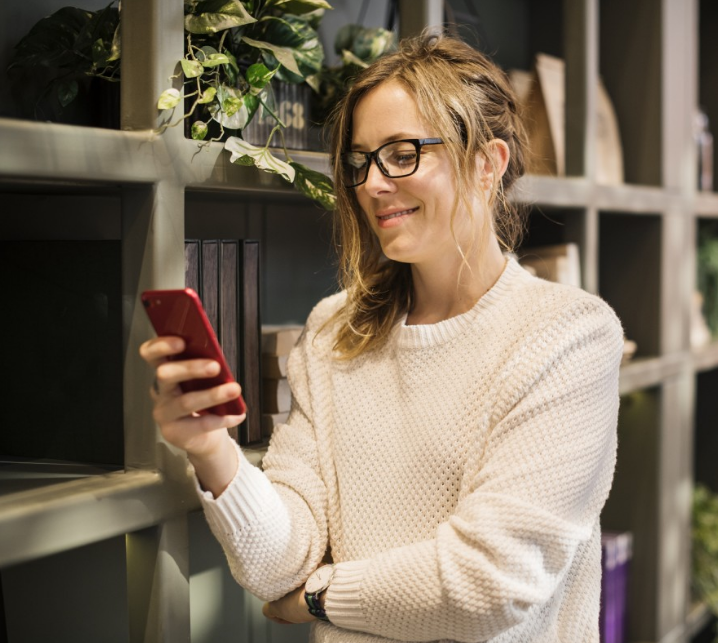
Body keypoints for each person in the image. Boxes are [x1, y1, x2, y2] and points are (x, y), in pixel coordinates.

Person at [141, 31, 623, 643]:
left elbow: (485, 585)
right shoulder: (333, 332)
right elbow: (277, 561)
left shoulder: (569, 336)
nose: (371, 183)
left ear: (488, 163)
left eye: (402, 153)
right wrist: (211, 447)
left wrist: (318, 597)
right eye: (362, 160)